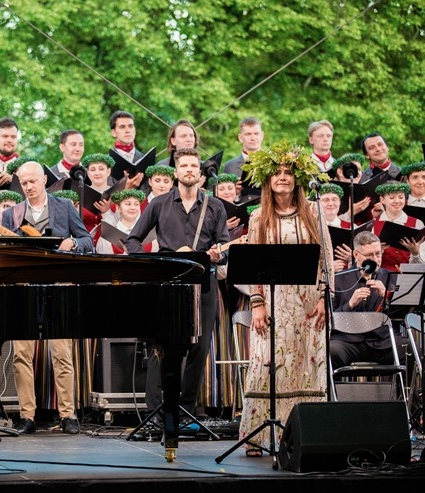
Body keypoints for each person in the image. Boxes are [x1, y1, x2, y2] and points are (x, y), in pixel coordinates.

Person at [237, 141, 333, 456]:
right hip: (273, 303)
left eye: (288, 173)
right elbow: (251, 265)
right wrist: (257, 303)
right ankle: (258, 436)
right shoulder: (257, 218)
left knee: (306, 366)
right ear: (267, 180)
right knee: (267, 365)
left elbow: (326, 259)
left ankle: (305, 434)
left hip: (308, 306)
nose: (282, 177)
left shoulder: (313, 213)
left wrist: (323, 298)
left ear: (297, 179)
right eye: (276, 172)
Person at [124, 147, 229, 425]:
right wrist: (155, 263)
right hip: (168, 282)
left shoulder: (215, 206)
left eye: (194, 166)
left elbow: (224, 246)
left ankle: (186, 410)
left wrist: (220, 253)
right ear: (176, 171)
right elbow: (132, 240)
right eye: (184, 166)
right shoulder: (159, 204)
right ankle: (155, 412)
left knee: (199, 348)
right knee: (161, 346)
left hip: (203, 282)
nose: (190, 170)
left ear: (200, 173)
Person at [1, 160, 93, 435]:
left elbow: (87, 240)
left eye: (33, 181)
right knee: (21, 355)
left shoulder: (64, 207)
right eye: (24, 182)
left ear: (44, 180)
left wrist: (72, 243)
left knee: (62, 353)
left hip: (58, 287)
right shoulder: (12, 214)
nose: (28, 187)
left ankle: (68, 414)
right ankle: (26, 415)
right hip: (24, 289)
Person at [330, 231, 411, 375]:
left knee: (411, 350)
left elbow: (403, 316)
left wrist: (386, 296)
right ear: (356, 255)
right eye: (369, 255)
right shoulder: (338, 280)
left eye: (378, 254)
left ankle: (404, 397)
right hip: (348, 341)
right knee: (329, 351)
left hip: (382, 340)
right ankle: (335, 397)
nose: (375, 259)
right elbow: (329, 319)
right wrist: (350, 304)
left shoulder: (392, 278)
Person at [371, 181, 424, 272]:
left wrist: (415, 253)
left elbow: (422, 264)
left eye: (401, 197)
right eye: (392, 197)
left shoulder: (417, 224)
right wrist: (377, 251)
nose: (397, 201)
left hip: (408, 276)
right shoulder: (374, 224)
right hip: (381, 276)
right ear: (382, 199)